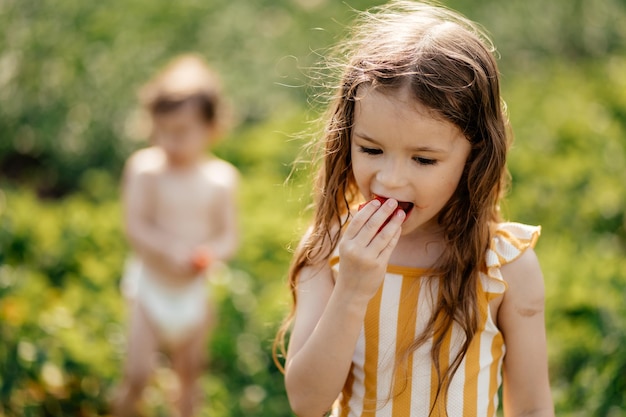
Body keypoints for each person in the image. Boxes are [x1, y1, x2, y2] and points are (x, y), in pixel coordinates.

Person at [274, 2, 554, 416]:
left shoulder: (506, 266)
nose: (390, 180)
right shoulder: (332, 252)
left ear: (475, 155)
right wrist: (351, 291)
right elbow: (306, 402)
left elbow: (531, 408)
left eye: (423, 159)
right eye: (371, 149)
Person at [113, 54, 239, 417]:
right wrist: (167, 250)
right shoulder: (145, 170)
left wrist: (208, 253)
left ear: (211, 128)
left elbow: (228, 236)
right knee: (137, 373)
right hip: (150, 287)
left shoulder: (220, 178)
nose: (171, 140)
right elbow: (135, 225)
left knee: (189, 375)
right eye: (162, 129)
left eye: (182, 131)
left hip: (194, 291)